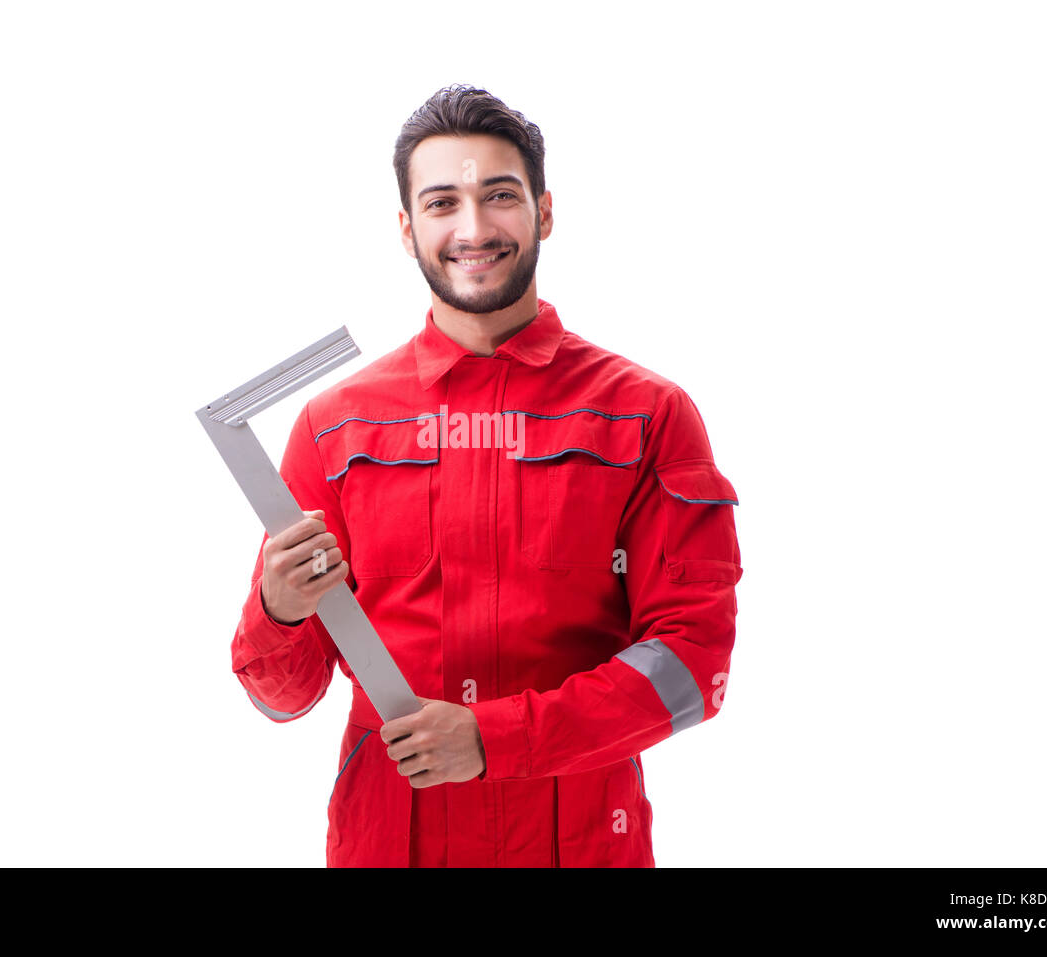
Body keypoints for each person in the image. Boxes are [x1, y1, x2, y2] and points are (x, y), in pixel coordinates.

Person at [230, 84, 743, 867]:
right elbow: (281, 697)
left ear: (544, 212)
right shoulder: (334, 427)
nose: (472, 229)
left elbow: (691, 663)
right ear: (407, 229)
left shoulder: (645, 416)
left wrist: (494, 738)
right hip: (388, 841)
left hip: (577, 843)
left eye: (498, 196)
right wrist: (280, 609)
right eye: (442, 203)